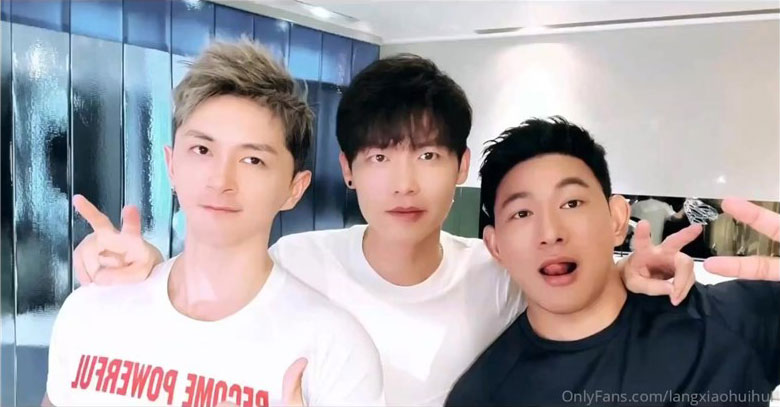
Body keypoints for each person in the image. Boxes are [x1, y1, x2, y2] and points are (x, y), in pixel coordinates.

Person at [69, 56, 698, 406]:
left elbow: (568, 287)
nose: (404, 184)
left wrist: (626, 272)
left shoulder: (495, 275)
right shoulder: (298, 260)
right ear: (346, 170)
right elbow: (216, 285)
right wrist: (145, 267)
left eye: (427, 156)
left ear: (461, 167)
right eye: (378, 157)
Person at [43, 40, 383, 407]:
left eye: (253, 160)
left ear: (294, 189)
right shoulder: (91, 311)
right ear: (172, 166)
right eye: (202, 150)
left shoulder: (334, 350)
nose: (221, 180)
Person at [446, 116, 780, 406]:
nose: (550, 233)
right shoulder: (485, 397)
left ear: (617, 219)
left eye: (571, 203)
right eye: (522, 213)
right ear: (496, 247)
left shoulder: (731, 322)